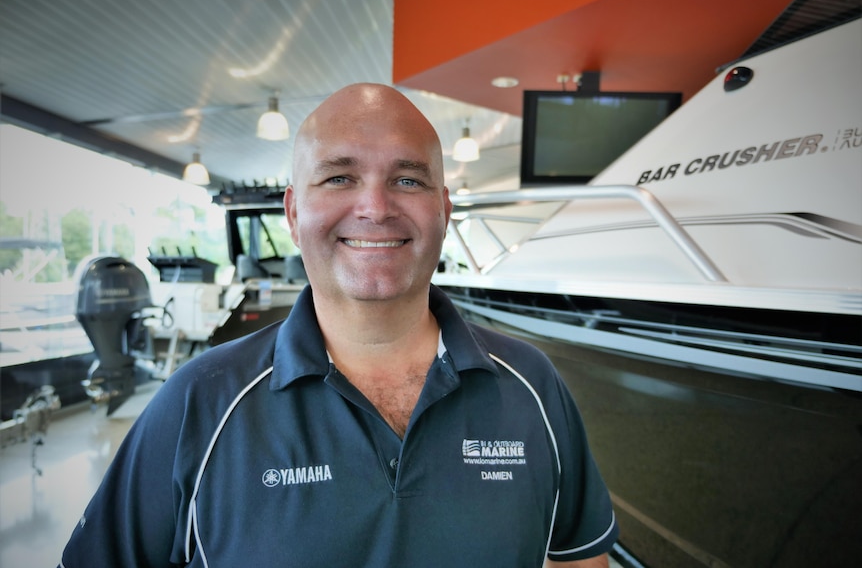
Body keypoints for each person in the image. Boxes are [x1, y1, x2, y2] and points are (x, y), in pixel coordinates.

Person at [59, 83, 618, 567]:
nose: (375, 208)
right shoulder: (198, 405)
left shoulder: (532, 386)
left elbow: (579, 557)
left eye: (407, 180)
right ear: (295, 212)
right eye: (339, 178)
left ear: (444, 210)